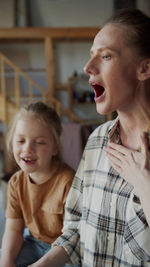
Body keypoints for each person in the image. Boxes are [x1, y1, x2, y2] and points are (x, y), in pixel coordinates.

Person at [27, 8, 150, 267]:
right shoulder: (97, 141)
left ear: (144, 68)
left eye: (106, 56)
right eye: (91, 55)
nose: (87, 67)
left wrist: (144, 183)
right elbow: (75, 229)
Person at [0, 102, 75, 267]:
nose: (28, 148)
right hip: (33, 242)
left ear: (55, 147)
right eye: (20, 140)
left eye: (40, 142)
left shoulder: (68, 182)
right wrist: (6, 261)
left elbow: (73, 238)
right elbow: (14, 230)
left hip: (64, 251)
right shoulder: (16, 182)